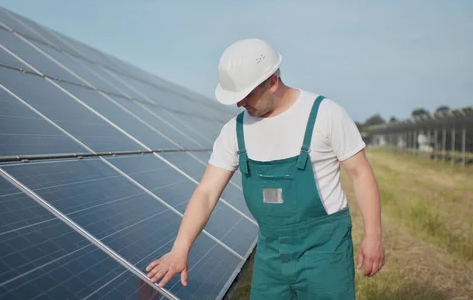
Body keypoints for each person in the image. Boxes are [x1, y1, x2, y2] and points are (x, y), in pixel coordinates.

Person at [145, 38, 385, 299]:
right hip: (271, 254)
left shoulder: (325, 115)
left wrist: (373, 236)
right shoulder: (234, 132)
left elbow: (360, 174)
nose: (239, 104)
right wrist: (180, 249)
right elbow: (206, 193)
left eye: (245, 95)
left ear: (272, 82)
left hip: (324, 252)